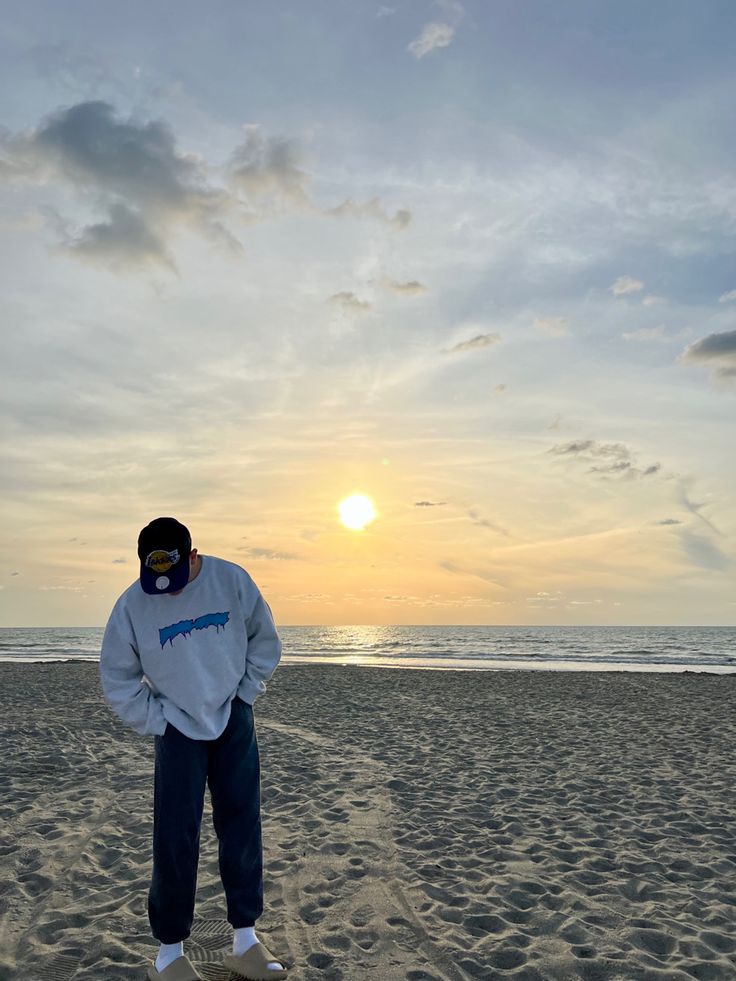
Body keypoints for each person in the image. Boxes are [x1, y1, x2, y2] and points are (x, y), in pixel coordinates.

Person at [99, 517, 287, 981]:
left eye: (177, 579)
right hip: (176, 729)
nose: (169, 591)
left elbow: (265, 640)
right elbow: (116, 677)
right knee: (175, 836)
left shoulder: (232, 580)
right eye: (158, 581)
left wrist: (246, 693)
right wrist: (158, 719)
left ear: (195, 556)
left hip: (233, 718)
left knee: (242, 825)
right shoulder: (131, 606)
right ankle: (169, 954)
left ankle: (245, 942)